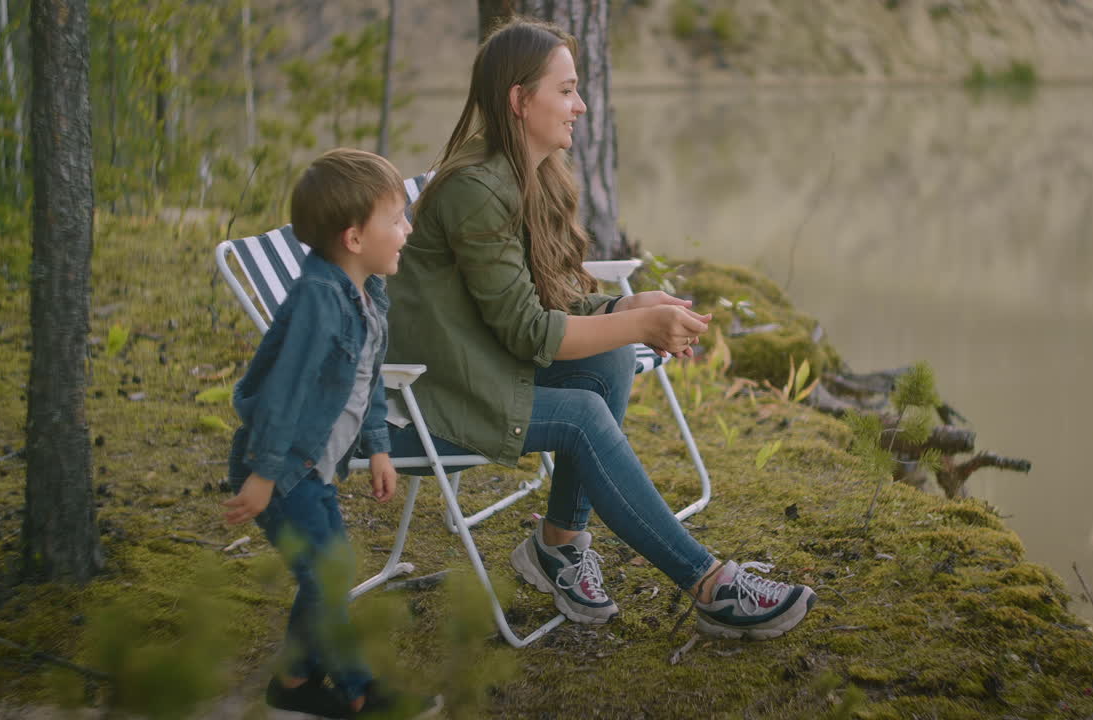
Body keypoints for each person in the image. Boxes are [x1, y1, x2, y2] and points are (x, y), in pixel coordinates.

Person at [385, 18, 816, 640]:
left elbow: (544, 304)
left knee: (611, 360)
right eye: (566, 90)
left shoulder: (524, 175)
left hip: (484, 361)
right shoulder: (477, 190)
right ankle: (709, 583)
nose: (581, 105)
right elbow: (532, 334)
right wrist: (639, 321)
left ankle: (556, 546)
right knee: (586, 413)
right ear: (519, 100)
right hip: (437, 389)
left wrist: (626, 308)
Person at [221, 149, 420, 718]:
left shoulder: (369, 296)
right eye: (398, 218)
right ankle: (359, 691)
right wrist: (263, 476)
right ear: (355, 238)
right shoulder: (318, 298)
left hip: (313, 469)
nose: (407, 229)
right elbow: (285, 392)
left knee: (329, 571)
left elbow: (367, 381)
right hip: (281, 469)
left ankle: (292, 680)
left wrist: (379, 447)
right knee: (328, 572)